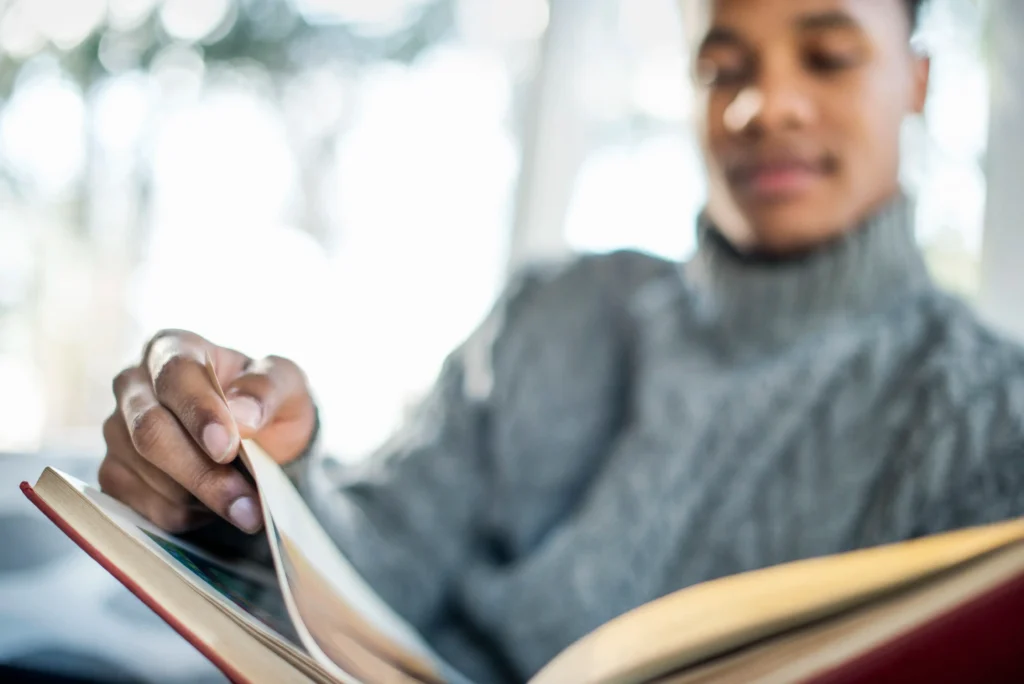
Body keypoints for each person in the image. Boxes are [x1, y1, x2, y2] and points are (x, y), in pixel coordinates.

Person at [98, 0, 1024, 682]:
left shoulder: (991, 416)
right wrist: (252, 482)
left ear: (920, 81)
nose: (762, 108)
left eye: (826, 56)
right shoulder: (556, 312)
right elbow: (382, 564)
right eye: (722, 66)